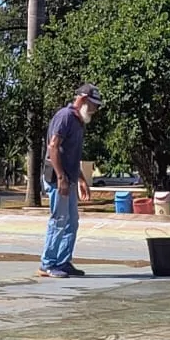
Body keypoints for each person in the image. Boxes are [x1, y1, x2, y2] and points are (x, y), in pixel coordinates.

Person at [39, 83, 104, 278]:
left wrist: (81, 179)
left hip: (70, 178)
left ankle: (63, 261)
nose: (95, 110)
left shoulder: (78, 121)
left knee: (71, 222)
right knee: (59, 220)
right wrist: (61, 177)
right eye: (93, 105)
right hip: (57, 179)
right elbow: (53, 147)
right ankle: (48, 264)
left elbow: (72, 154)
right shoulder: (65, 117)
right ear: (83, 99)